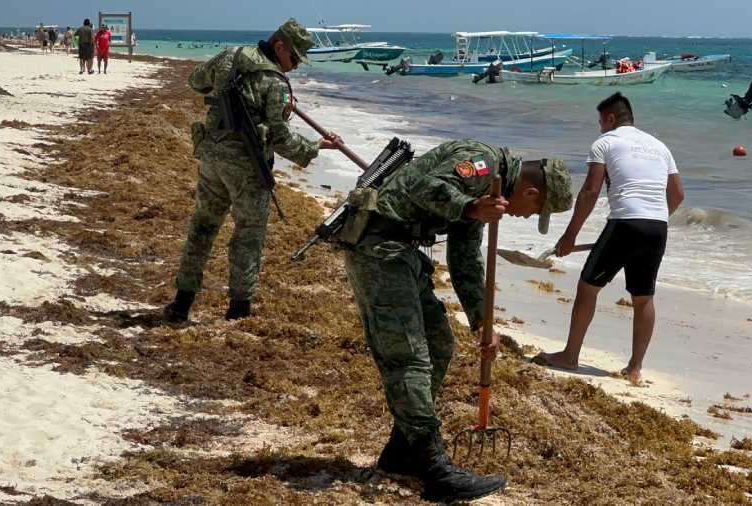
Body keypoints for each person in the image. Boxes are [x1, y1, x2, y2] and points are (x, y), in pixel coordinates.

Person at [344, 140, 573, 502]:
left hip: (401, 251)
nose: (526, 217)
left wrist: (481, 320)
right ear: (531, 192)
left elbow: (465, 256)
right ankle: (432, 465)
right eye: (534, 211)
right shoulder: (479, 164)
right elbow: (421, 187)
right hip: (378, 247)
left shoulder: (489, 193)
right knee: (409, 357)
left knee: (438, 344)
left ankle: (402, 451)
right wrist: (468, 208)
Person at [163, 18, 341, 323]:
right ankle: (239, 310)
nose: (295, 66)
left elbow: (196, 81)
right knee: (248, 236)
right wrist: (318, 146)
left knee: (203, 228)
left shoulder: (231, 55)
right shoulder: (275, 83)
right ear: (279, 46)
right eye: (294, 58)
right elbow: (281, 138)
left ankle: (181, 303)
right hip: (247, 168)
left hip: (213, 156)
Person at [532, 93, 685, 385]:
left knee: (588, 287)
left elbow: (590, 191)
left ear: (611, 118)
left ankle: (570, 356)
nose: (600, 127)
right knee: (643, 298)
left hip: (625, 222)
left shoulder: (605, 143)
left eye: (601, 121)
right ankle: (635, 368)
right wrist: (653, 217)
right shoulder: (660, 146)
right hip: (657, 226)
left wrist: (569, 236)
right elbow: (677, 195)